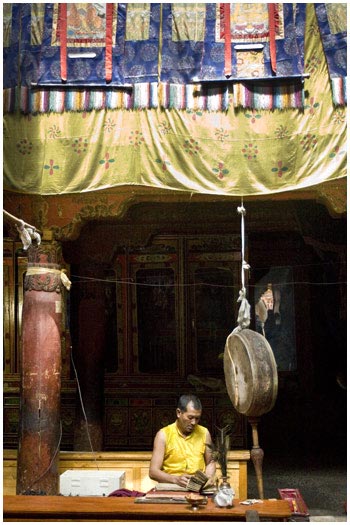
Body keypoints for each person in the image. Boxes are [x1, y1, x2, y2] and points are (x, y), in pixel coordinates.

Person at [149, 394, 216, 488]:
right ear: (178, 413)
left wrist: (209, 477)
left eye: (197, 418)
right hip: (171, 484)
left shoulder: (204, 433)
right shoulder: (163, 435)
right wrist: (176, 479)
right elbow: (153, 472)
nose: (194, 422)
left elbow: (210, 462)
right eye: (190, 417)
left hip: (198, 487)